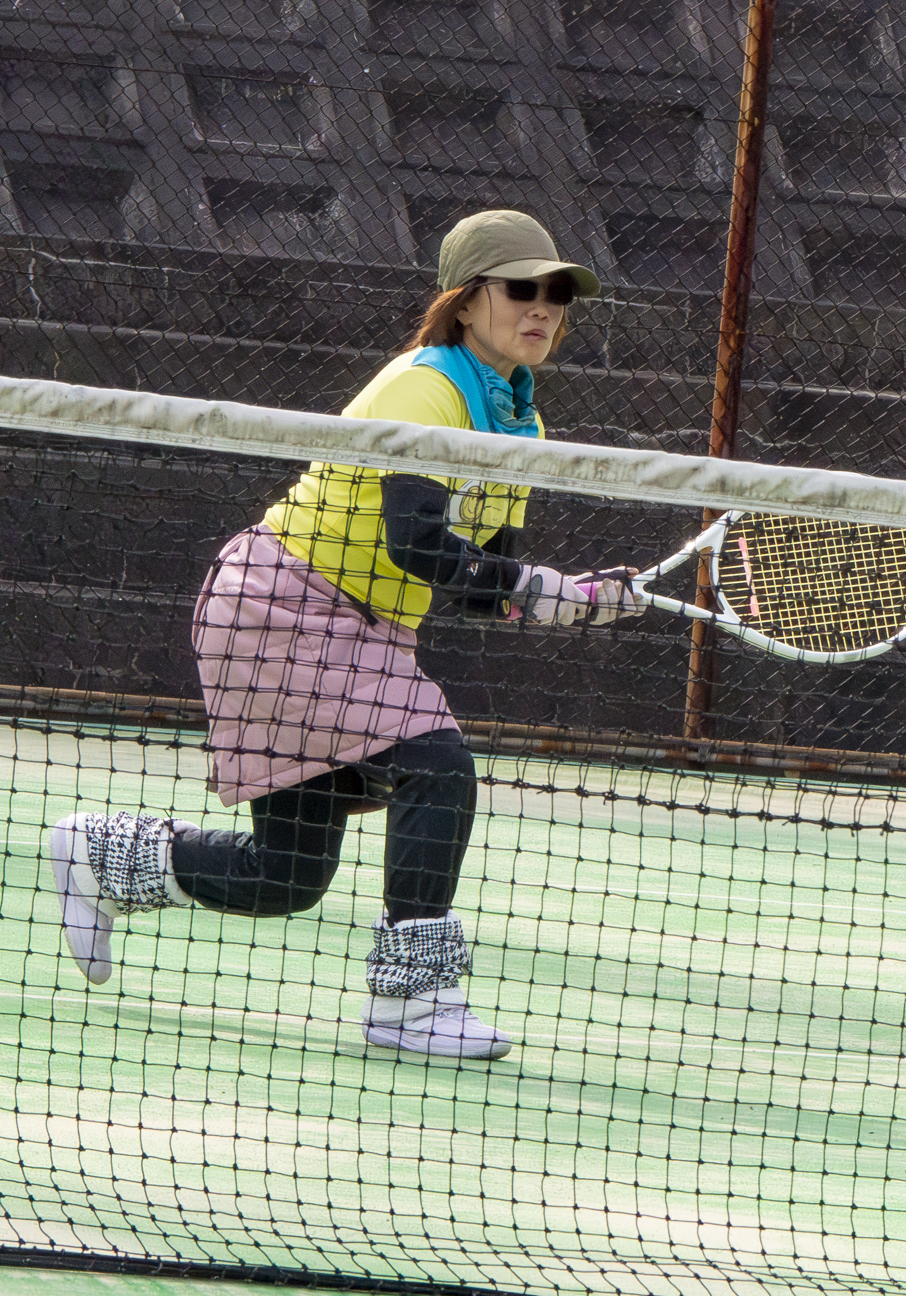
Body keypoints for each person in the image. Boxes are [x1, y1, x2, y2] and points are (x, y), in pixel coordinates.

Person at [45, 210, 642, 1061]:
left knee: (286, 876)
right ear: (467, 300)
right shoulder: (425, 388)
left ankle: (105, 858)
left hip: (366, 630)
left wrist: (571, 599)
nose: (543, 307)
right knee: (438, 764)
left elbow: (479, 582)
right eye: (522, 289)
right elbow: (417, 541)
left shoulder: (521, 425)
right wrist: (529, 587)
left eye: (557, 293)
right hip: (280, 608)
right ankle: (413, 1002)